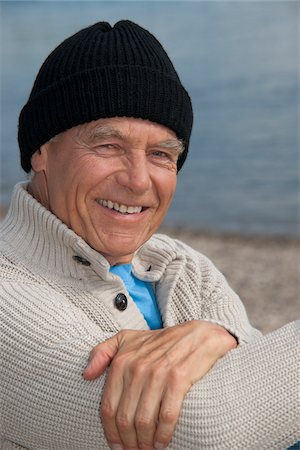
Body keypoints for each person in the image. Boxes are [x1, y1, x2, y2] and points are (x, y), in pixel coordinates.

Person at [0, 20, 298, 450]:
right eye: (107, 146)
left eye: (160, 154)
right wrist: (223, 336)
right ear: (40, 152)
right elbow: (205, 428)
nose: (139, 181)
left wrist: (216, 334)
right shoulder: (9, 292)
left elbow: (263, 382)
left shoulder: (183, 266)